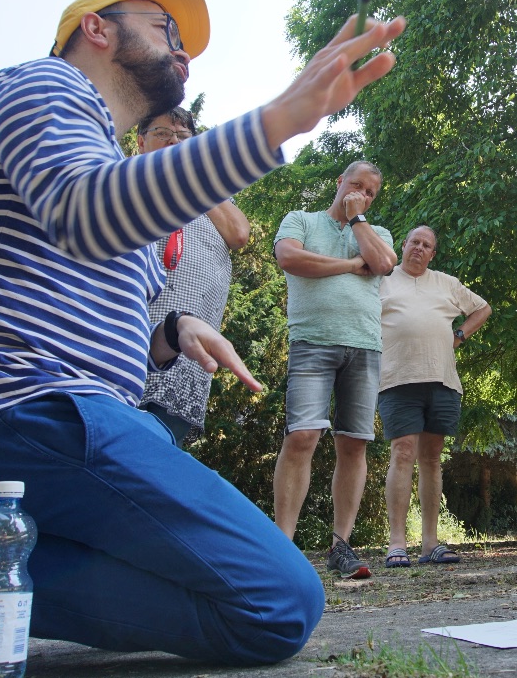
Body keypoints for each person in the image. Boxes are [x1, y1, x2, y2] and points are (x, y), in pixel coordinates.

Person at [0, 0, 405, 678]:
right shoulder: (44, 85)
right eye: (166, 26)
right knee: (278, 603)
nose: (183, 52)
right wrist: (278, 119)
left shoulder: (105, 167)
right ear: (96, 29)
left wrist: (169, 332)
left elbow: (99, 327)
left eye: (187, 45)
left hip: (52, 418)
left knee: (251, 598)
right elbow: (82, 213)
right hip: (18, 407)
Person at [272, 161, 397, 579]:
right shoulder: (301, 219)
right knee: (303, 435)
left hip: (364, 344)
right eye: (355, 185)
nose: (360, 192)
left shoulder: (376, 233)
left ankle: (341, 545)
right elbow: (290, 257)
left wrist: (358, 217)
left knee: (354, 444)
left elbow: (382, 264)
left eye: (370, 193)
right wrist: (347, 265)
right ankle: (282, 547)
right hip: (312, 341)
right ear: (338, 182)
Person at [378, 225, 491, 567]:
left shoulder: (446, 283)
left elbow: (483, 309)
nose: (419, 248)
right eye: (415, 242)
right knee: (402, 453)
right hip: (397, 378)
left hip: (442, 380)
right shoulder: (381, 280)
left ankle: (430, 543)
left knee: (431, 458)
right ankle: (397, 542)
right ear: (404, 245)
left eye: (427, 245)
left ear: (432, 253)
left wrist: (459, 334)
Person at [138, 106, 251, 445]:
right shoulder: (127, 179)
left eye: (183, 137)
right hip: (133, 335)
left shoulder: (209, 194)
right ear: (141, 141)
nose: (173, 141)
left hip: (188, 344)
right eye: (162, 134)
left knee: (160, 458)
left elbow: (239, 234)